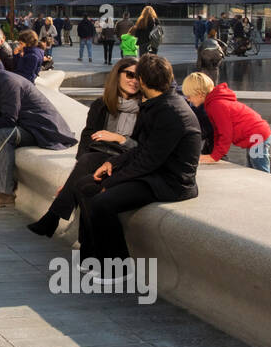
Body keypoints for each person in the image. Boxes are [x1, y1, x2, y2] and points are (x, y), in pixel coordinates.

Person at [82, 55, 201, 265]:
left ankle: (117, 268)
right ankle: (91, 257)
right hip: (156, 174)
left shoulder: (170, 111)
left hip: (170, 182)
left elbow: (148, 160)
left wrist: (110, 183)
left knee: (101, 202)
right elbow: (143, 150)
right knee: (86, 187)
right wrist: (113, 164)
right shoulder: (159, 104)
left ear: (143, 81)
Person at [28, 58, 142, 237]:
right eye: (130, 74)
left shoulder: (145, 108)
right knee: (85, 183)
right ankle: (87, 250)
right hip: (99, 157)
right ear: (117, 75)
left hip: (128, 158)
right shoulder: (101, 105)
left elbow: (146, 147)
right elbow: (87, 139)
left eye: (139, 77)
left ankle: (53, 217)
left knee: (87, 169)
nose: (134, 80)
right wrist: (71, 179)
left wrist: (120, 139)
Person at [0, 61, 77, 207]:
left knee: (3, 135)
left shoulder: (7, 83)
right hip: (26, 125)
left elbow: (9, 120)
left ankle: (4, 193)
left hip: (41, 129)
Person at [183, 72, 271, 173]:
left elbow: (225, 134)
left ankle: (268, 188)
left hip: (257, 136)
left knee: (260, 170)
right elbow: (217, 132)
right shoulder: (212, 104)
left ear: (199, 94)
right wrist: (214, 154)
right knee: (254, 168)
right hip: (256, 135)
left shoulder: (217, 105)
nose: (188, 99)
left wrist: (215, 156)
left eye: (189, 96)